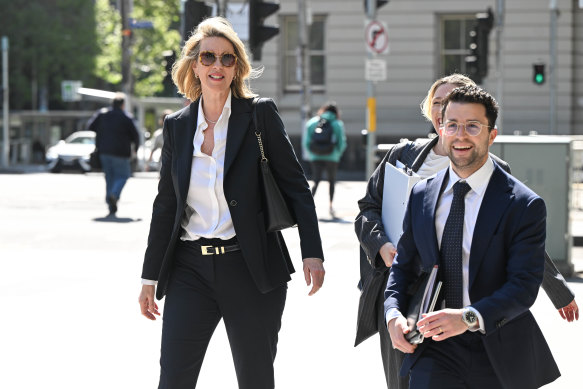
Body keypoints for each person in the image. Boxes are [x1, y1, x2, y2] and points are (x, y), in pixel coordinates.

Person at [354, 74, 577, 389]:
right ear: (440, 127)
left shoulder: (522, 202)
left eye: (473, 126)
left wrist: (468, 317)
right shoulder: (421, 192)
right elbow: (401, 265)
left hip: (496, 343)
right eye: (451, 123)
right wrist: (392, 312)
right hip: (431, 344)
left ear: (492, 135)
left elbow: (523, 279)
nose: (461, 135)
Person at [137, 17, 325, 389]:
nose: (217, 66)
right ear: (195, 64)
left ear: (236, 66)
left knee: (255, 379)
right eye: (208, 57)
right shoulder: (176, 125)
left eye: (227, 59)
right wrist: (149, 276)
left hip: (250, 267)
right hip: (189, 269)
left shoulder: (259, 114)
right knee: (173, 378)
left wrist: (312, 252)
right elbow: (166, 205)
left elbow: (296, 186)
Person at [87, 92, 140, 216]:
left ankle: (111, 205)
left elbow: (90, 126)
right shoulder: (126, 117)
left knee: (109, 178)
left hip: (104, 151)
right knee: (123, 175)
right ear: (123, 105)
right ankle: (114, 195)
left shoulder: (102, 114)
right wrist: (135, 150)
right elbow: (135, 136)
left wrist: (103, 132)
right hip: (121, 153)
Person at [303, 101, 347, 217]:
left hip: (316, 156)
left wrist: (312, 154)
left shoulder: (312, 122)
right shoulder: (337, 124)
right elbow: (341, 142)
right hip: (332, 156)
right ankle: (331, 206)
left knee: (316, 181)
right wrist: (337, 154)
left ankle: (308, 206)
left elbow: (306, 142)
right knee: (331, 181)